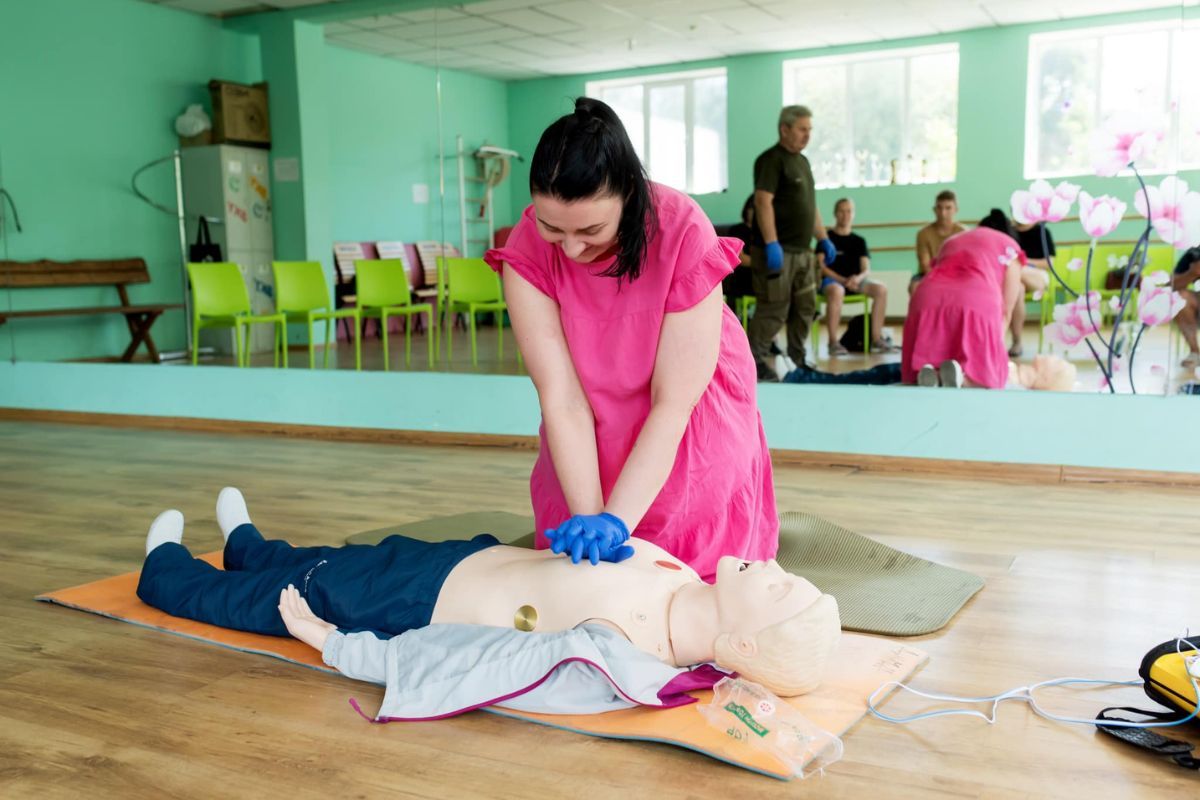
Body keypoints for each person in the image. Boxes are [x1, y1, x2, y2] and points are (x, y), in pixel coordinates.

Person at [136, 489, 842, 698]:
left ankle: (165, 569)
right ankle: (248, 548)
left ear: (741, 644)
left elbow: (482, 666)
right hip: (459, 560)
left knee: (288, 599)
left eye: (779, 591)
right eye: (791, 574)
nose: (772, 568)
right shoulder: (681, 574)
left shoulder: (621, 654)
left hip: (412, 608)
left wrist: (342, 647)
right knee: (333, 561)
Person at [483, 98, 777, 582]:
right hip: (590, 400)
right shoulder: (527, 246)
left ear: (630, 196)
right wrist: (592, 518)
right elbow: (562, 399)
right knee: (582, 572)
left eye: (592, 231)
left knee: (687, 568)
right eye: (553, 229)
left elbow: (672, 405)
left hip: (687, 406)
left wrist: (617, 521)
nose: (573, 249)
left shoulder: (682, 229)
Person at [747, 105, 838, 381]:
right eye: (802, 129)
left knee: (805, 309)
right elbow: (763, 201)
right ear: (784, 129)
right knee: (773, 310)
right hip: (777, 252)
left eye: (809, 130)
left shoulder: (804, 162)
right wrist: (771, 243)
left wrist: (823, 238)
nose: (807, 135)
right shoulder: (771, 160)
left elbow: (810, 207)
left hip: (802, 253)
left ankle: (798, 361)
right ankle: (754, 362)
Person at [901, 227, 1024, 389]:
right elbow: (1006, 311)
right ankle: (963, 380)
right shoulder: (1011, 248)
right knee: (989, 376)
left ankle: (933, 375)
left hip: (928, 296)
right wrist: (996, 353)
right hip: (976, 297)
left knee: (938, 351)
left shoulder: (951, 241)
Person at [819, 198, 894, 355]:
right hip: (833, 282)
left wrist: (856, 279)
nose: (845, 215)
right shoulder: (826, 239)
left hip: (855, 282)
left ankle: (876, 339)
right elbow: (821, 267)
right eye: (841, 211)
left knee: (881, 290)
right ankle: (833, 342)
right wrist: (842, 280)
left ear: (853, 214)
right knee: (837, 291)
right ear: (835, 214)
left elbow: (866, 269)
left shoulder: (859, 241)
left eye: (848, 211)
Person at [979, 209, 1050, 357]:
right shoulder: (1006, 230)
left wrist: (1021, 262)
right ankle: (1012, 341)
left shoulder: (1041, 231)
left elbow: (1048, 264)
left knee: (1016, 277)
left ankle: (1015, 340)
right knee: (1018, 289)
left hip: (1034, 275)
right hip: (1010, 278)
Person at [912, 190, 966, 295]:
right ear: (934, 210)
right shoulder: (923, 233)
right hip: (928, 274)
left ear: (956, 210)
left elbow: (965, 262)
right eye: (939, 208)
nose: (943, 213)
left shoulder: (963, 233)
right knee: (915, 286)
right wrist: (941, 281)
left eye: (948, 208)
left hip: (957, 274)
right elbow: (925, 265)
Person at [721, 195, 755, 313]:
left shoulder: (764, 234)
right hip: (741, 277)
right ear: (747, 209)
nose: (755, 212)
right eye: (752, 208)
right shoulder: (737, 230)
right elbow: (740, 258)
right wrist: (762, 262)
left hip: (760, 276)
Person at [1173, 246, 1200, 369]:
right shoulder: (1194, 253)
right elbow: (1172, 285)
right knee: (1180, 298)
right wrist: (1192, 273)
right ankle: (1195, 353)